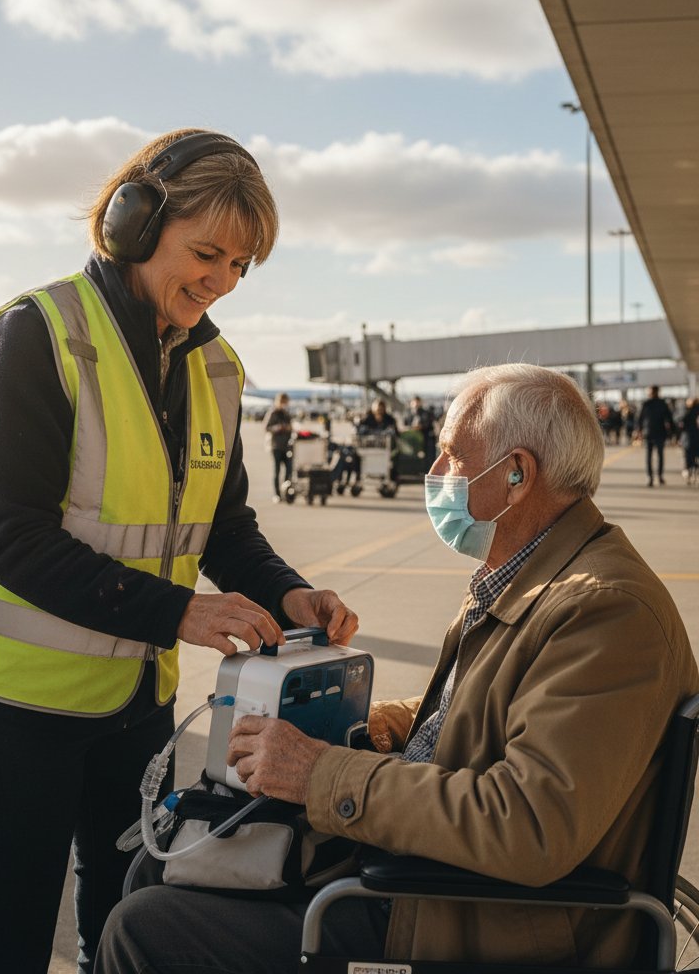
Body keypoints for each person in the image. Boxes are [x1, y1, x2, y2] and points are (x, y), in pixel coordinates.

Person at [97, 362, 699, 973]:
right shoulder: (533, 577)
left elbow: (531, 825)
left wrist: (323, 774)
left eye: (451, 456)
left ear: (517, 473)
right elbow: (489, 709)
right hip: (436, 881)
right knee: (165, 860)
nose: (434, 475)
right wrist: (383, 721)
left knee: (143, 927)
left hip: (467, 920)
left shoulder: (605, 611)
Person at [0, 129, 358, 974]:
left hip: (134, 713)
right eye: (207, 253)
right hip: (11, 711)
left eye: (241, 266)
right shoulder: (39, 334)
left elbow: (224, 530)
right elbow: (14, 541)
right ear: (131, 221)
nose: (222, 281)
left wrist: (289, 596)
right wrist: (181, 612)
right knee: (6, 950)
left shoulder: (218, 369)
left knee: (126, 938)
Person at [637, 384, 676, 486]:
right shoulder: (661, 403)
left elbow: (640, 419)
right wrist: (673, 433)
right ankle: (656, 477)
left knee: (652, 456)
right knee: (657, 456)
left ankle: (653, 477)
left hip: (651, 433)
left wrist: (639, 431)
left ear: (653, 392)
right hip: (656, 433)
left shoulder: (648, 403)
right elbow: (669, 419)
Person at [263, 392, 294, 501]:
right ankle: (277, 494)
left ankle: (286, 490)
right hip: (276, 446)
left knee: (289, 470)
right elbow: (266, 427)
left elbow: (291, 427)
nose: (284, 404)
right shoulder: (273, 413)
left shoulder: (287, 414)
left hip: (287, 446)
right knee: (277, 471)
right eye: (283, 402)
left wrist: (288, 428)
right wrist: (277, 428)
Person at [402, 394, 435, 472]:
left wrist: (418, 427)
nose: (416, 404)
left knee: (429, 447)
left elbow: (426, 424)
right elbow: (404, 425)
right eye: (414, 402)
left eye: (417, 402)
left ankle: (427, 469)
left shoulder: (425, 413)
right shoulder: (407, 413)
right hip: (411, 437)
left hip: (425, 436)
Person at [680, 396, 699, 485]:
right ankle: (695, 473)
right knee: (696, 457)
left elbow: (682, 424)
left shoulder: (688, 412)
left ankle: (689, 473)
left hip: (689, 438)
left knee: (688, 457)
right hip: (696, 439)